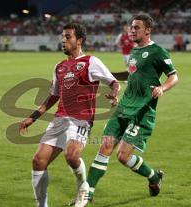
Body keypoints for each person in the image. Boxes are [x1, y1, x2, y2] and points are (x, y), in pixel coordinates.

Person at [19, 23, 120, 207]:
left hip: (81, 120)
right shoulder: (59, 66)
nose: (63, 40)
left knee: (72, 155)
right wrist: (33, 117)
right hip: (59, 119)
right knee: (38, 161)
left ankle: (83, 187)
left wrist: (114, 95)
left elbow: (114, 82)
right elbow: (53, 95)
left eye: (68, 37)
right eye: (62, 37)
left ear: (79, 40)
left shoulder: (91, 62)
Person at [86, 14, 178, 203]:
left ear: (148, 30)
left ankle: (153, 176)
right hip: (123, 107)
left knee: (122, 156)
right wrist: (106, 75)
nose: (132, 30)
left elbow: (173, 77)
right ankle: (87, 193)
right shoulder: (135, 52)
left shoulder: (158, 52)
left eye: (136, 27)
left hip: (141, 112)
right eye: (131, 27)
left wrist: (162, 88)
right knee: (105, 146)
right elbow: (131, 75)